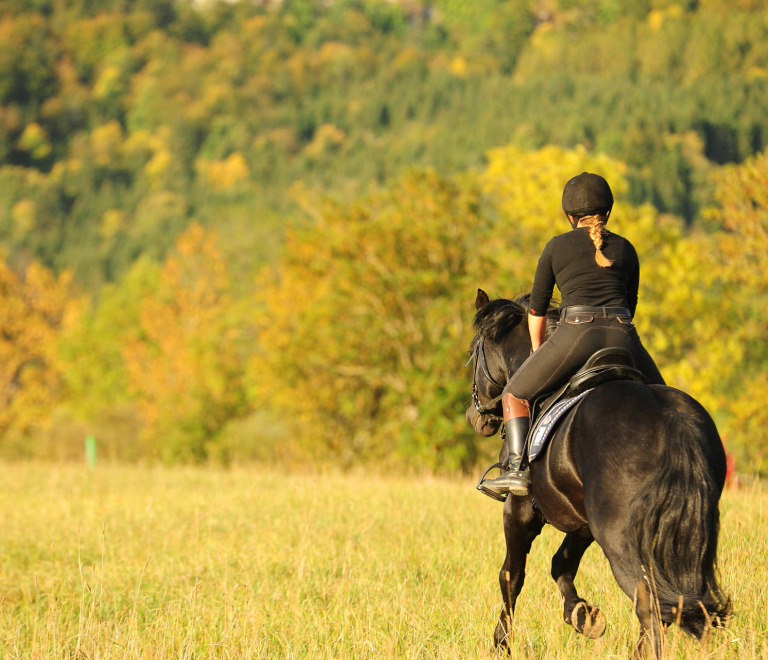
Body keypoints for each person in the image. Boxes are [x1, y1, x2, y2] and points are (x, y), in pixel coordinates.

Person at [484, 172, 665, 497]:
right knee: (665, 401)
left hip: (576, 335)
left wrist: (538, 350)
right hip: (623, 335)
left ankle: (516, 471)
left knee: (514, 394)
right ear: (607, 211)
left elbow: (537, 310)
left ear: (570, 216)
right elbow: (630, 304)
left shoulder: (556, 247)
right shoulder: (626, 248)